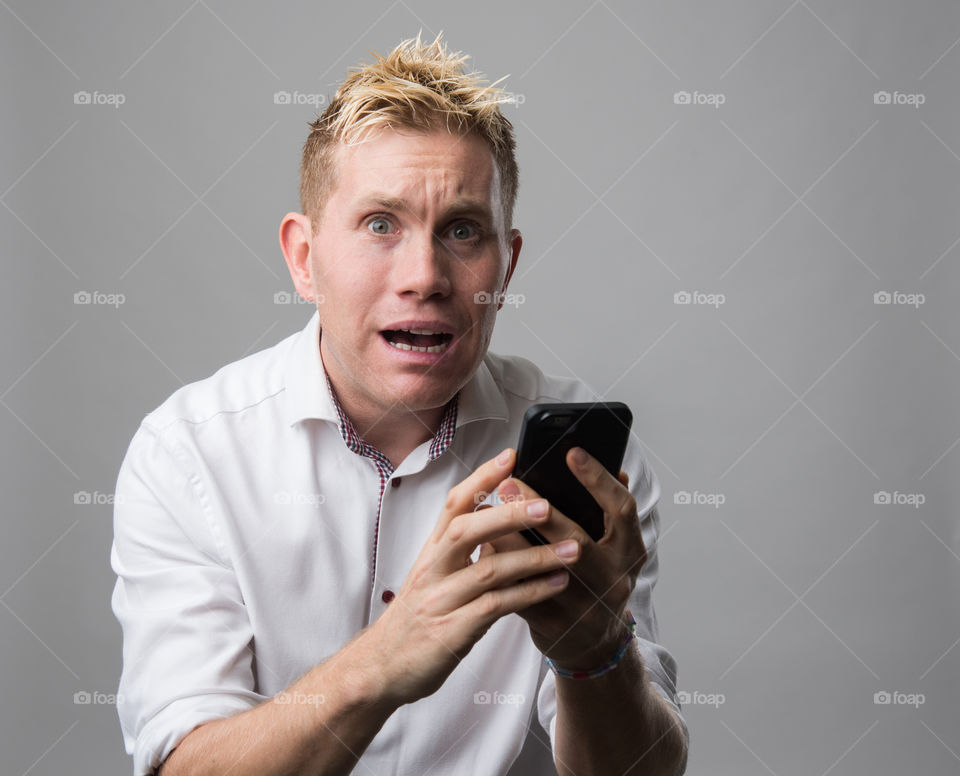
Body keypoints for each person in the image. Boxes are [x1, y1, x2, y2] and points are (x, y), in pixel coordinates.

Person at [111, 33, 689, 776]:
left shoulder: (584, 464)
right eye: (381, 224)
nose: (425, 276)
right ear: (304, 259)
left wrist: (595, 653)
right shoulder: (189, 454)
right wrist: (387, 657)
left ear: (505, 267)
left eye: (462, 230)